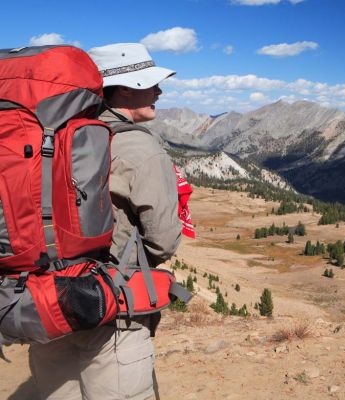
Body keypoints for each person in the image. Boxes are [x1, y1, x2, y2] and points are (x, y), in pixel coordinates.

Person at [28, 43, 182, 400]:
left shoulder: (50, 138)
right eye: (151, 84)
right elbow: (164, 241)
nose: (159, 91)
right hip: (112, 308)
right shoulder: (141, 148)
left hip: (48, 303)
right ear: (125, 89)